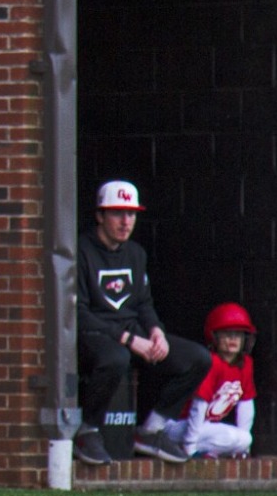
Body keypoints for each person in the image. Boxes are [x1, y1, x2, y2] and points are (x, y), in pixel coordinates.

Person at [74, 181, 211, 466]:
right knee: (117, 358)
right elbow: (79, 312)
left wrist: (156, 331)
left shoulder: (136, 253)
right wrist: (128, 339)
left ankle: (151, 430)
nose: (126, 222)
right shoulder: (81, 250)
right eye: (117, 213)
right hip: (95, 332)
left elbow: (143, 304)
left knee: (198, 359)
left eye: (131, 214)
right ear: (100, 215)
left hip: (132, 330)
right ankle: (87, 430)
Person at [163, 303, 256, 459]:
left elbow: (246, 404)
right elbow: (198, 406)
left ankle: (209, 452)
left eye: (238, 334)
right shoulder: (210, 362)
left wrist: (243, 448)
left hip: (204, 428)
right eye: (227, 333)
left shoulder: (246, 363)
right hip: (177, 425)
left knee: (244, 438)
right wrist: (189, 447)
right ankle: (181, 447)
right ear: (214, 336)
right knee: (235, 437)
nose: (233, 338)